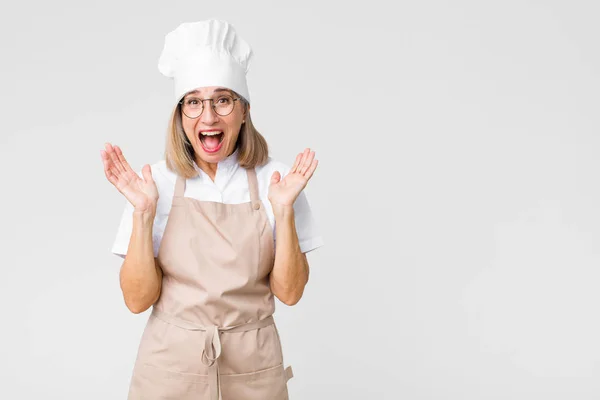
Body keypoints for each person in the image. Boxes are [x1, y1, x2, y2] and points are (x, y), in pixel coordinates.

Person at [100, 19, 324, 400]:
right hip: (169, 369)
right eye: (194, 102)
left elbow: (289, 293)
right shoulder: (154, 183)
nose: (208, 117)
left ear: (243, 110)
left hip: (253, 367)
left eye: (223, 99)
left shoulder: (279, 181)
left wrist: (283, 211)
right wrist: (143, 213)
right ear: (180, 115)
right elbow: (137, 300)